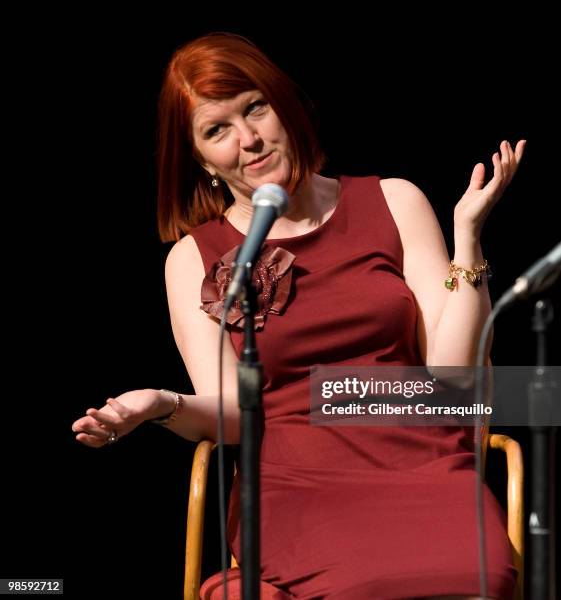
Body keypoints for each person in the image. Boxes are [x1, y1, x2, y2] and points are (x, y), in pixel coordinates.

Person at [72, 32, 526, 599]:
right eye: (217, 130)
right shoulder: (192, 259)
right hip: (295, 485)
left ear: (282, 102)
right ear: (198, 158)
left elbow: (456, 381)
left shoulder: (394, 199)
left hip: (423, 466)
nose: (249, 139)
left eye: (255, 107)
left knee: (479, 576)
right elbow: (234, 413)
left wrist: (469, 241)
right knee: (360, 584)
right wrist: (163, 405)